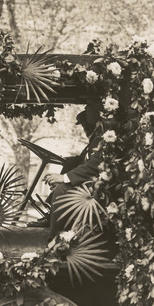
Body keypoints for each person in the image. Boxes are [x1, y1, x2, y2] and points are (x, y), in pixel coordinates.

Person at [43, 101, 102, 236]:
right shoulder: (96, 138)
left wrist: (64, 179)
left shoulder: (102, 137)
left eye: (85, 125)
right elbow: (84, 160)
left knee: (61, 190)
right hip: (88, 182)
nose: (84, 128)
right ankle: (51, 217)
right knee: (68, 166)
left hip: (96, 187)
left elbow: (93, 165)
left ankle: (56, 238)